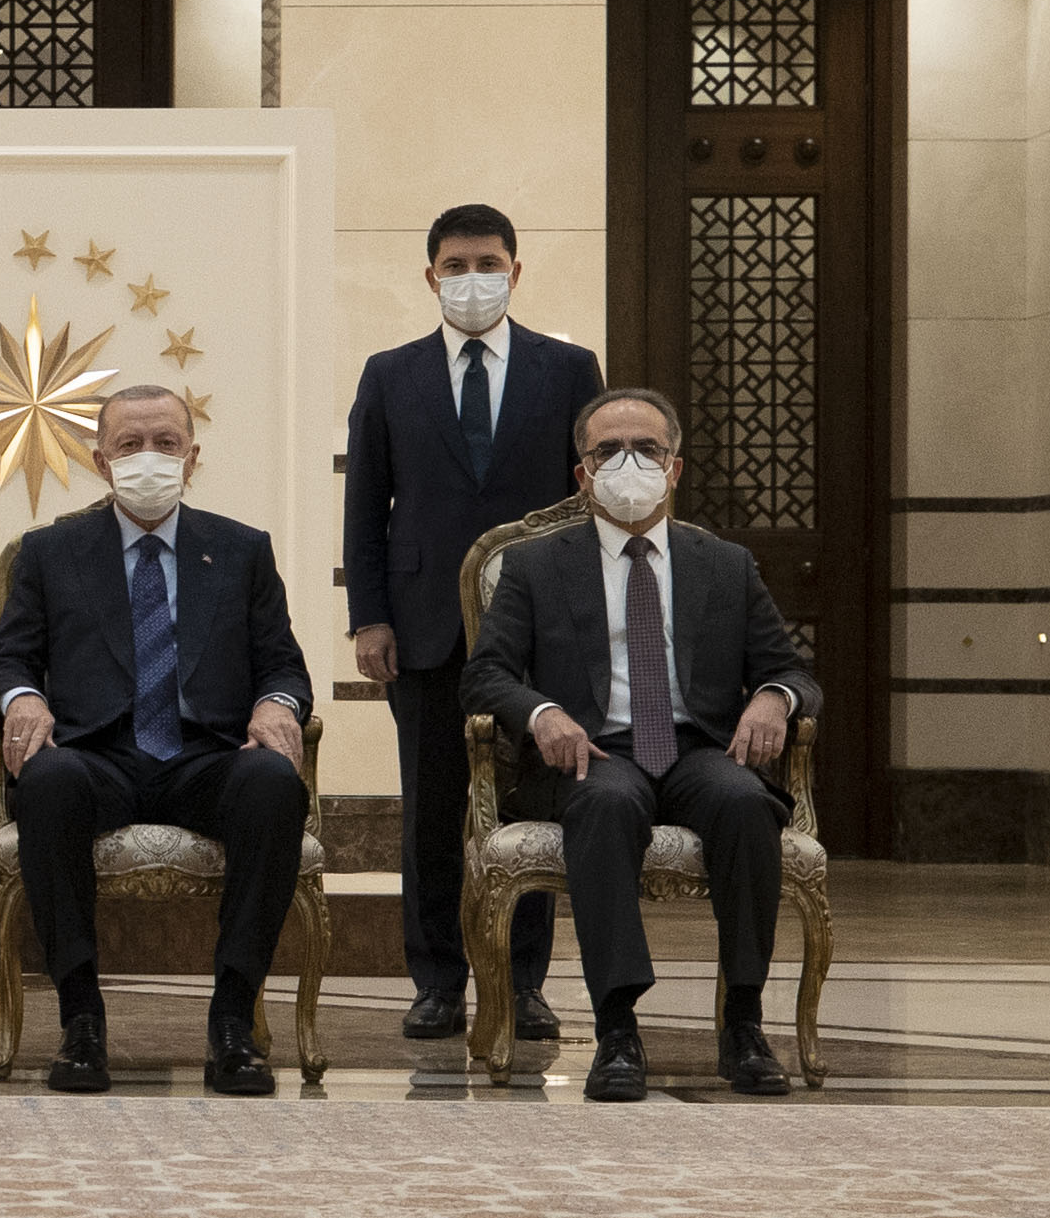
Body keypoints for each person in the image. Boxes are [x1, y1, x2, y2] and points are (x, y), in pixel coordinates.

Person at [464, 387, 818, 1103]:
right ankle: (617, 1028)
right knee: (604, 804)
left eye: (646, 449)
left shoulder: (725, 563)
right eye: (608, 451)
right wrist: (542, 713)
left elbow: (791, 672)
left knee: (746, 802)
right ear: (583, 473)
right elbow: (485, 675)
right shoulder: (535, 565)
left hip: (698, 748)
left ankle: (743, 1023)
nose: (629, 463)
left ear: (675, 467)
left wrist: (773, 698)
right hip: (592, 751)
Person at [0, 385, 314, 1097]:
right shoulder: (50, 552)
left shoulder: (241, 550)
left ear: (192, 458)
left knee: (273, 784)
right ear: (101, 462)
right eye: (129, 445)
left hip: (207, 756)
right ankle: (81, 1020)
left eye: (166, 443)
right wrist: (24, 697)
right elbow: (6, 661)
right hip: (96, 755)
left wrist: (274, 704)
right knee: (47, 782)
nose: (149, 458)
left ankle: (232, 1022)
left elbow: (282, 664)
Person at [342, 202, 600, 1044]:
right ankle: (436, 982)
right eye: (454, 266)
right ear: (430, 278)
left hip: (538, 632)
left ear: (514, 271)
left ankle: (522, 983)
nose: (471, 279)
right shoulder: (390, 374)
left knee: (532, 808)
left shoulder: (568, 369)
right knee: (430, 812)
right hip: (421, 630)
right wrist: (368, 618)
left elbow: (588, 500)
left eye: (487, 263)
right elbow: (365, 506)